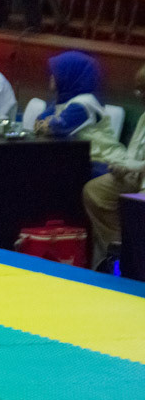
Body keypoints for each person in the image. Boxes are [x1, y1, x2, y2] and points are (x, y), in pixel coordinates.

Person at [82, 64, 145, 270]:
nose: (140, 96)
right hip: (137, 177)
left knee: (138, 204)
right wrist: (122, 166)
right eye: (139, 90)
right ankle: (118, 249)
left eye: (143, 90)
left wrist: (133, 167)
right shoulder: (144, 117)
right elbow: (132, 154)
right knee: (96, 191)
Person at [35, 51, 125, 175]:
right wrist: (43, 124)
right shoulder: (62, 99)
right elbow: (39, 121)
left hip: (104, 163)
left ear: (70, 74)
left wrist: (43, 124)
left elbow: (55, 128)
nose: (51, 76)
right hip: (80, 159)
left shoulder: (84, 103)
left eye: (57, 72)